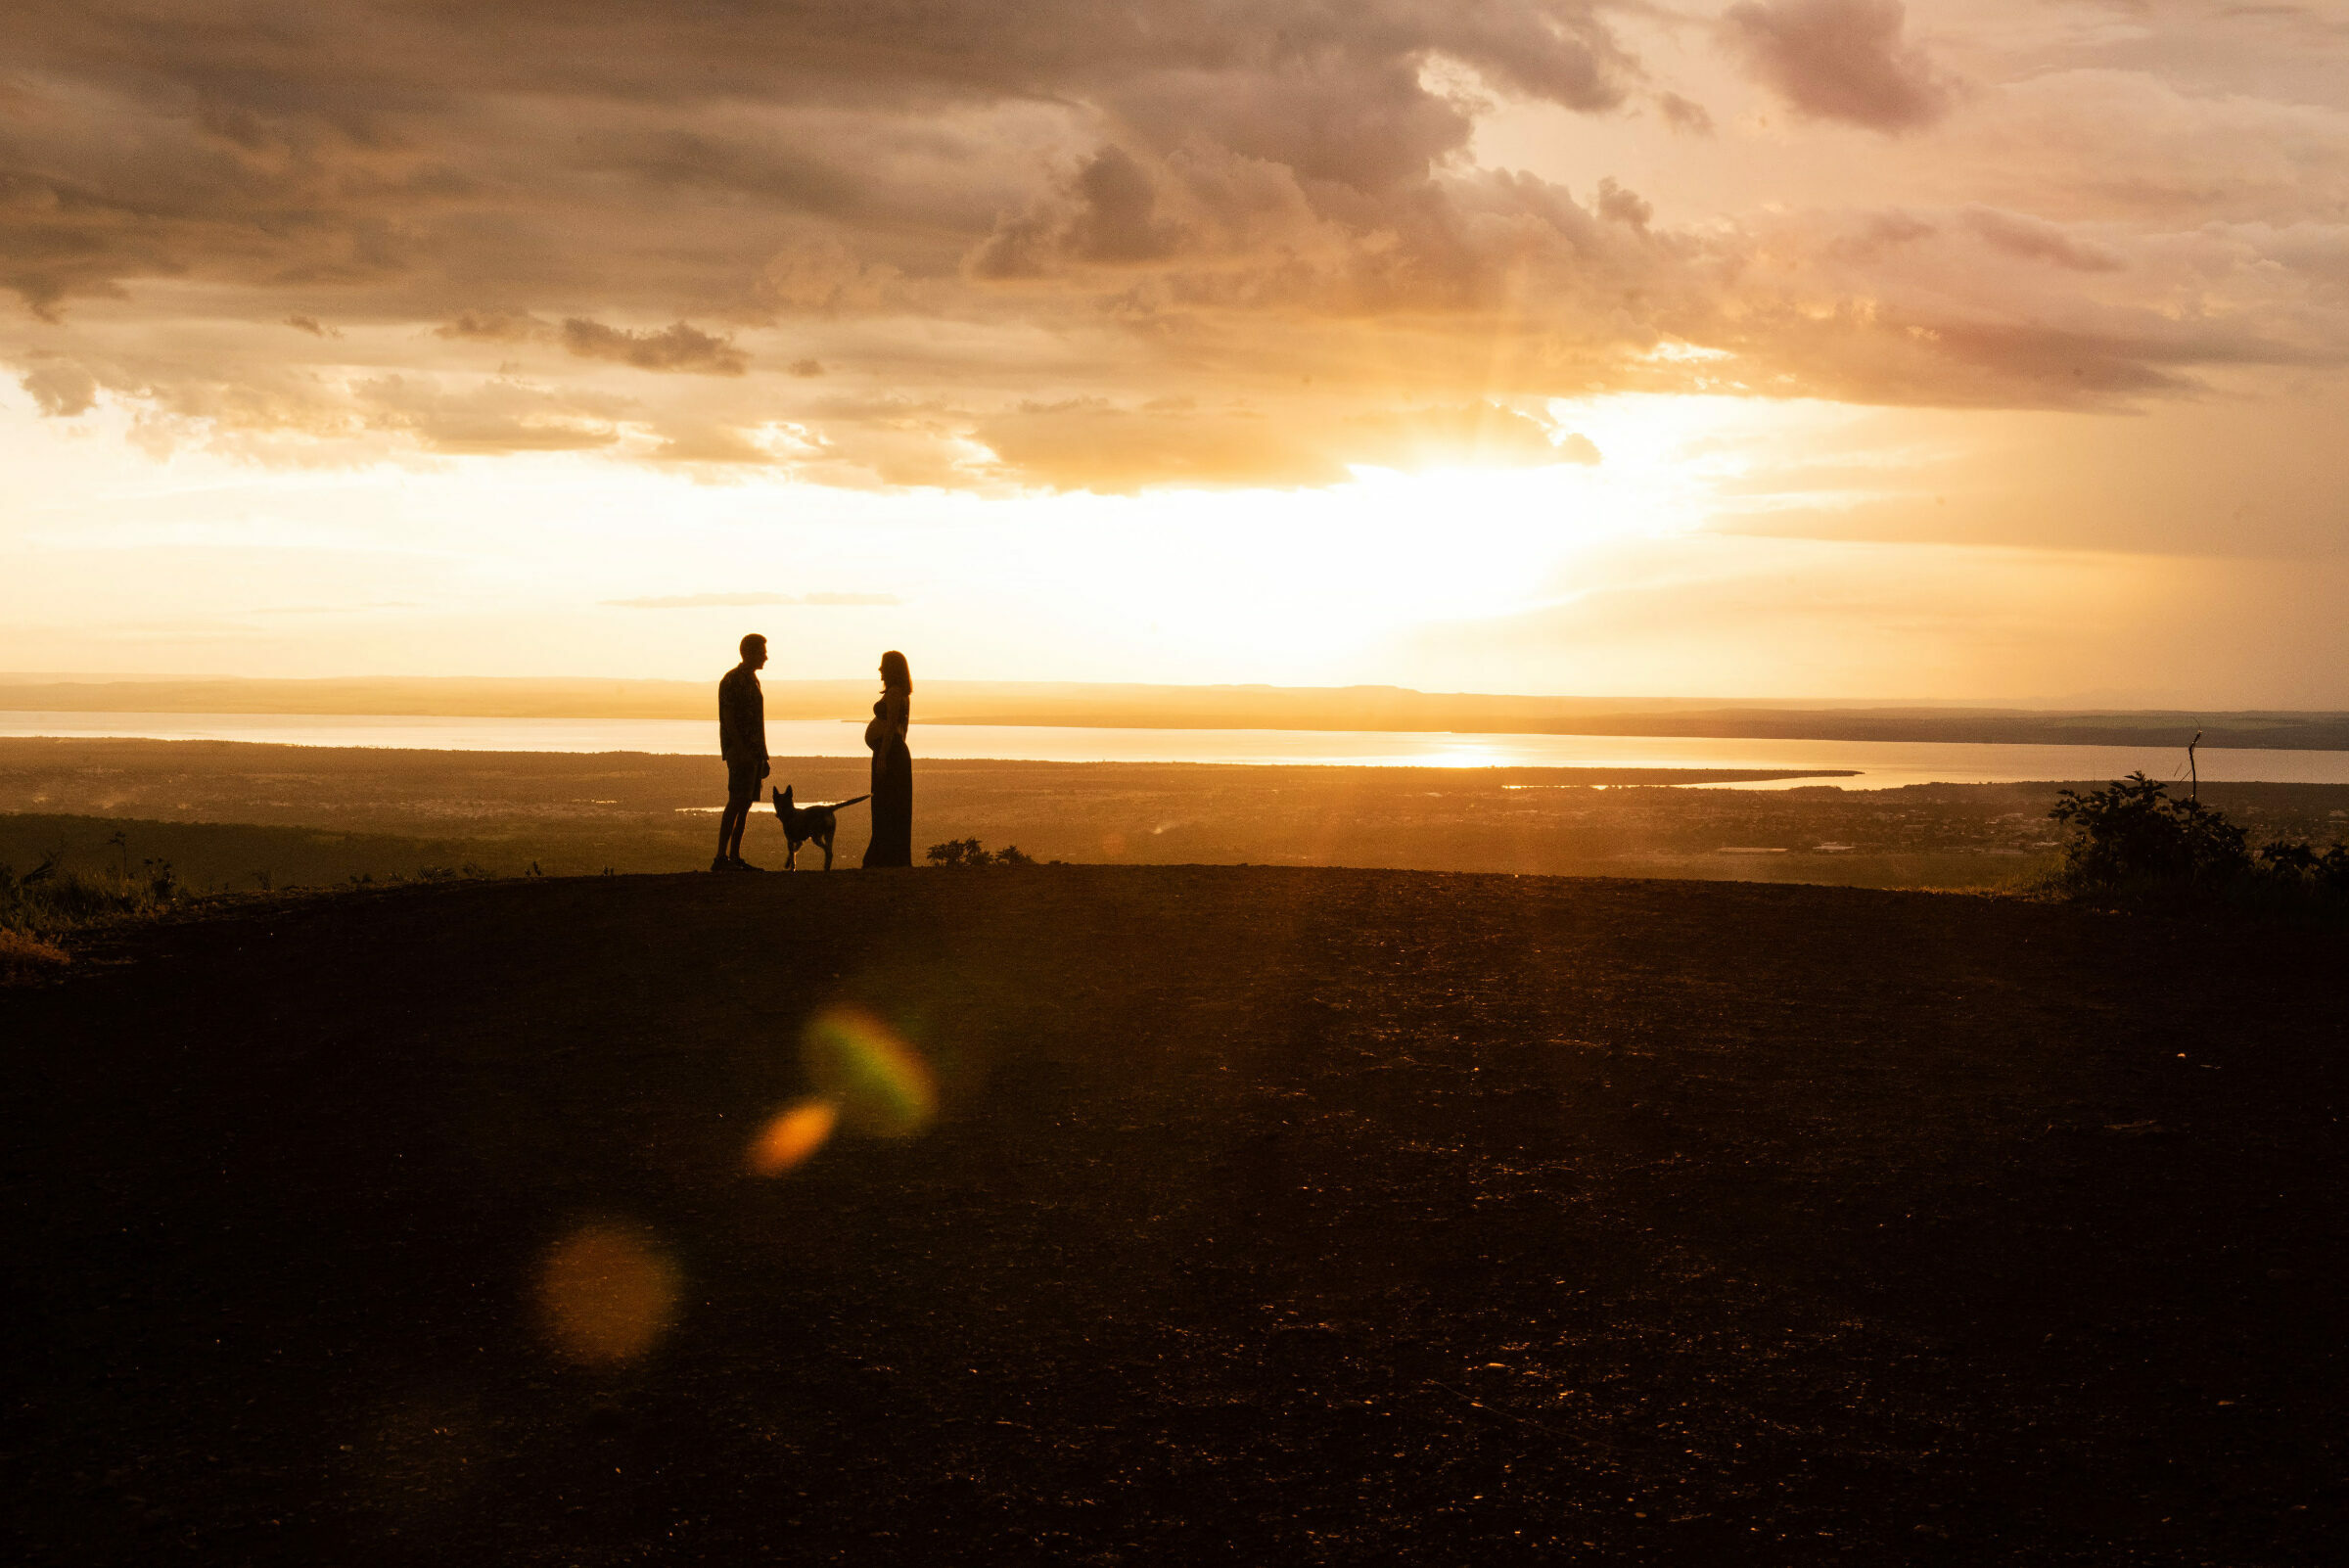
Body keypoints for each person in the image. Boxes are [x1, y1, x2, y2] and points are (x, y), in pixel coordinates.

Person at [714, 633, 769, 871]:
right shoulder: (732, 680)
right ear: (750, 653)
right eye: (762, 651)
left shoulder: (752, 680)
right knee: (736, 802)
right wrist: (740, 750)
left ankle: (734, 857)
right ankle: (721, 858)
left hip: (753, 753)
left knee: (744, 804)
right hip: (741, 753)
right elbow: (728, 719)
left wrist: (763, 755)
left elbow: (758, 722)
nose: (766, 656)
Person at [860, 650, 912, 868]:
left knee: (885, 804)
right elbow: (902, 728)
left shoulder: (894, 693)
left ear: (891, 669)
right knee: (891, 804)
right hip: (895, 753)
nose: (880, 670)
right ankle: (891, 856)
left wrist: (883, 756)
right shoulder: (901, 694)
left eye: (883, 666)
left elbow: (891, 726)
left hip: (889, 754)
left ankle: (883, 857)